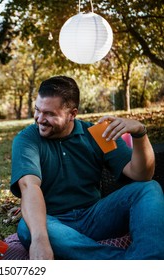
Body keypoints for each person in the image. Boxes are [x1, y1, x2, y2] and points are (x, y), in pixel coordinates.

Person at [10, 75, 164, 260]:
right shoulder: (27, 139)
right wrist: (40, 239)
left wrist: (140, 133)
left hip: (96, 217)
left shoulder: (98, 133)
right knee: (29, 228)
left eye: (50, 114)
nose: (40, 119)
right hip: (54, 222)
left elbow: (141, 175)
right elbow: (29, 186)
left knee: (149, 188)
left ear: (72, 114)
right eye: (37, 110)